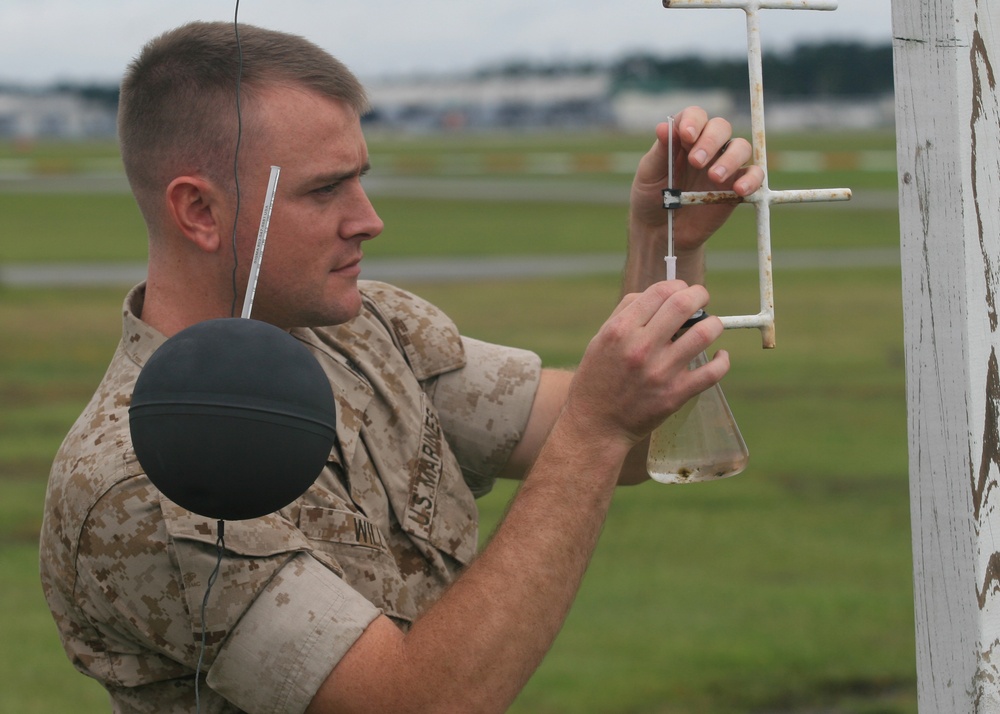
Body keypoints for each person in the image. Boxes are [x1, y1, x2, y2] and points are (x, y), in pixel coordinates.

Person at [39, 21, 763, 714]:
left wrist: (665, 239)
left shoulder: (368, 329)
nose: (368, 218)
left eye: (360, 178)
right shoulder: (147, 474)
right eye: (325, 189)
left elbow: (633, 444)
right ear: (199, 210)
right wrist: (595, 432)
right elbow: (422, 704)